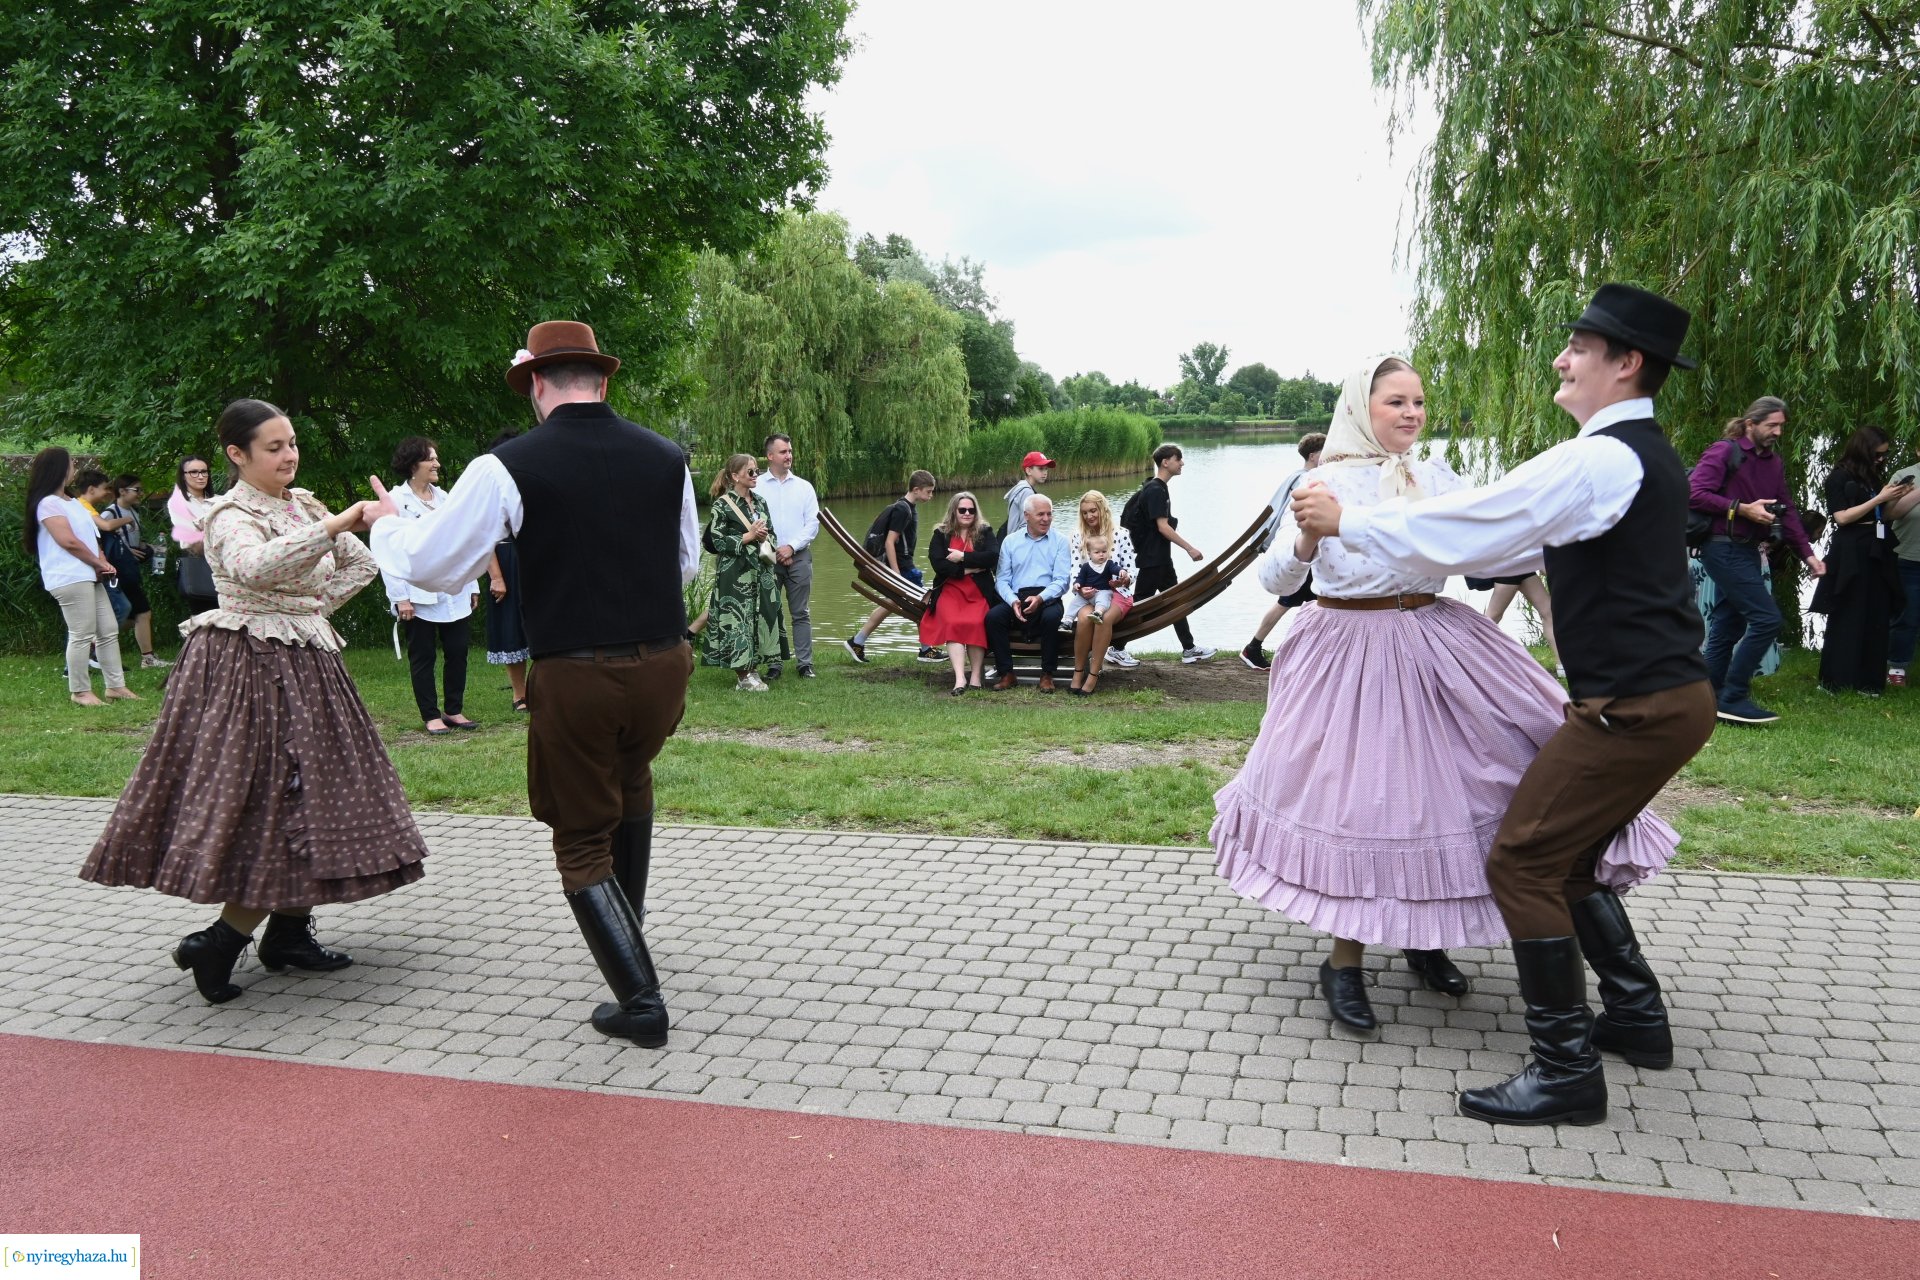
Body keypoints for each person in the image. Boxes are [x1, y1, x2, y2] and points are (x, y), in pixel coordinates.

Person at [1294, 284, 1719, 1127]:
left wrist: (1349, 524)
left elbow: (1475, 526)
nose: (1561, 359)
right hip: (1667, 699)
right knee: (1570, 858)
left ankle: (1565, 1073)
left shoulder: (1599, 459)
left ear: (1626, 364)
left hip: (1632, 709)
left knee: (1522, 863)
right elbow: (1504, 541)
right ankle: (1636, 1021)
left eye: (1579, 348)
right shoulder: (1640, 453)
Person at [1218, 352, 1681, 1044]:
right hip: (1350, 648)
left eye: (1418, 402)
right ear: (1362, 408)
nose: (1411, 414)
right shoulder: (1321, 481)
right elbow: (1275, 579)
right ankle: (1344, 964)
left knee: (1453, 795)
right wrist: (1310, 536)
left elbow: (1487, 549)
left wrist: (1574, 561)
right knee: (1364, 806)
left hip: (1436, 640)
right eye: (1395, 402)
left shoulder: (1436, 476)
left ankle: (1424, 938)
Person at [368, 321, 700, 1049]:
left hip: (578, 670)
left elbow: (432, 568)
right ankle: (629, 931)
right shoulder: (666, 456)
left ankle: (641, 1003)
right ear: (602, 381)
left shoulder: (504, 466)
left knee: (579, 832)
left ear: (536, 385)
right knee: (631, 779)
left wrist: (390, 525)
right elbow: (684, 562)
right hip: (664, 663)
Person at [81, 399, 422, 1004]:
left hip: (306, 656)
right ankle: (219, 942)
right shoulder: (228, 513)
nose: (289, 455)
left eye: (292, 443)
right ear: (237, 455)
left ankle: (287, 934)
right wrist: (333, 529)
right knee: (271, 797)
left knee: (316, 791)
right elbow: (251, 567)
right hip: (247, 668)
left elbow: (362, 564)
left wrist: (305, 608)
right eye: (275, 447)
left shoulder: (302, 504)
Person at [1688, 396, 1825, 724]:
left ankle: (1710, 694)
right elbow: (1694, 493)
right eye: (1772, 425)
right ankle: (1733, 697)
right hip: (1722, 547)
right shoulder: (1725, 451)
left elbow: (1787, 511)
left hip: (1749, 549)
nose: (1778, 432)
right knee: (1767, 619)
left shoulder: (1773, 463)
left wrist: (1808, 554)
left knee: (1729, 621)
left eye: (1781, 426)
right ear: (1750, 424)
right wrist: (1740, 509)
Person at [382, 436, 482, 733]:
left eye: (436, 458)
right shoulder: (395, 501)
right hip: (417, 593)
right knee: (423, 655)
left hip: (453, 589)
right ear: (414, 464)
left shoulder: (445, 498)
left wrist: (472, 584)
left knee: (458, 651)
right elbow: (389, 551)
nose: (437, 463)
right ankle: (431, 715)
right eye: (431, 459)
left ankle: (454, 710)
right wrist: (400, 597)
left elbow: (461, 544)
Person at [24, 448, 136, 707]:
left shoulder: (71, 501)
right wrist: (98, 562)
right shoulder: (47, 503)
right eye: (71, 463)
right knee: (82, 633)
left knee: (108, 630)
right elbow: (68, 541)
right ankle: (80, 691)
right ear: (59, 468)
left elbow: (90, 537)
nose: (74, 466)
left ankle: (116, 687)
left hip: (88, 573)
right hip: (70, 576)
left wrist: (101, 560)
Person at [1811, 425, 1910, 695]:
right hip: (1851, 548)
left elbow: (1885, 514)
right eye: (1877, 455)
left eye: (1884, 455)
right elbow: (1841, 517)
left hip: (1876, 546)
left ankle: (1869, 681)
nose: (1881, 459)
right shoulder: (1838, 477)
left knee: (1876, 610)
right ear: (1863, 450)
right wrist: (1879, 498)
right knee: (1849, 609)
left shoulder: (1871, 477)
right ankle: (1836, 679)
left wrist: (1896, 497)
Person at [1116, 444, 1216, 664]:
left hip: (1160, 558)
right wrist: (1189, 548)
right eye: (1178, 459)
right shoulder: (1155, 490)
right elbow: (1163, 527)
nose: (1182, 463)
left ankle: (1188, 648)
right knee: (1140, 604)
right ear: (1165, 462)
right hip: (1153, 559)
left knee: (1175, 602)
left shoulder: (1158, 487)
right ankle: (1116, 647)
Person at [703, 452, 789, 692]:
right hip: (736, 573)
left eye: (757, 471)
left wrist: (764, 537)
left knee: (761, 616)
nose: (755, 475)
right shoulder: (722, 504)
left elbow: (772, 534)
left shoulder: (760, 502)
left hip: (762, 570)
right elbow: (718, 541)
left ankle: (753, 668)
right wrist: (749, 536)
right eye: (750, 471)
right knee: (739, 620)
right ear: (735, 476)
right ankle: (743, 675)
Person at [1242, 432, 1325, 670]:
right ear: (1313, 455)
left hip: (1302, 552)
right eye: (1325, 452)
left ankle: (1260, 648)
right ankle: (1254, 648)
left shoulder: (1296, 476)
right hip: (1301, 554)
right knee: (1300, 603)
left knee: (1307, 605)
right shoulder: (1306, 479)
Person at [846, 471, 937, 663]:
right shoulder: (903, 510)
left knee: (893, 604)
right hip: (904, 568)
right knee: (924, 603)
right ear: (916, 489)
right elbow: (889, 542)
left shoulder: (906, 507)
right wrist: (896, 574)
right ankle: (926, 650)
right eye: (928, 491)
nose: (931, 495)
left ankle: (857, 641)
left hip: (904, 566)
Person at [987, 494, 1072, 692]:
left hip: (1047, 597)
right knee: (993, 617)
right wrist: (1012, 601)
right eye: (1040, 514)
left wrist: (1041, 598)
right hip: (1017, 597)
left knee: (1051, 617)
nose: (1046, 519)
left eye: (1049, 514)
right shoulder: (1010, 541)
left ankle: (1047, 674)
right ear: (1026, 515)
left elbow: (1062, 581)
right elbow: (1002, 580)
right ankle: (1006, 673)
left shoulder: (1060, 541)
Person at [920, 491, 999, 694]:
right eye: (962, 509)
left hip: (978, 591)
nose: (967, 513)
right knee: (953, 623)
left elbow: (992, 556)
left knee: (976, 623)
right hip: (950, 589)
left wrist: (962, 556)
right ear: (954, 511)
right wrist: (968, 569)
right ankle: (959, 678)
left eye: (971, 510)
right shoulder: (941, 534)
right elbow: (938, 564)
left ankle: (976, 677)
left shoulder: (985, 531)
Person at [1064, 489, 1137, 695]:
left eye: (1093, 510)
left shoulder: (1120, 534)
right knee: (1084, 618)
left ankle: (1093, 674)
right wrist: (1080, 589)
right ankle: (1078, 671)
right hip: (1090, 593)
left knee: (1102, 619)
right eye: (1085, 512)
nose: (1089, 516)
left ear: (1103, 509)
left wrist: (1125, 578)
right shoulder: (1078, 536)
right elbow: (1076, 570)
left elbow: (1131, 570)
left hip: (1118, 592)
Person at [759, 432, 819, 680]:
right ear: (770, 455)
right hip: (766, 556)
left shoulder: (804, 487)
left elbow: (813, 523)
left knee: (800, 612)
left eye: (790, 451)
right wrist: (774, 550)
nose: (789, 456)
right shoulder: (757, 486)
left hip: (799, 557)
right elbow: (753, 521)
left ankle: (805, 664)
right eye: (783, 452)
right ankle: (774, 664)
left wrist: (791, 547)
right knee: (770, 611)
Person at [481, 431, 529, 712]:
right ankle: (519, 695)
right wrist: (497, 577)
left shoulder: (530, 481)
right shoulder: (490, 490)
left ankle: (542, 688)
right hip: (505, 559)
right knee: (511, 627)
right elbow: (483, 536)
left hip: (533, 556)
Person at [104, 475, 170, 668]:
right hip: (118, 571)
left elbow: (133, 540)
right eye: (137, 490)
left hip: (131, 569)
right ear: (122, 491)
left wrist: (150, 547)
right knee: (142, 612)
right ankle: (147, 658)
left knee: (133, 615)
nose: (141, 493)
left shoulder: (133, 511)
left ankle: (97, 639)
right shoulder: (110, 514)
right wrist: (126, 550)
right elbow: (104, 543)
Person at [72, 468, 134, 625]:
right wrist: (128, 519)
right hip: (88, 566)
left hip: (94, 566)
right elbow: (106, 525)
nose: (107, 492)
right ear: (91, 489)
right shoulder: (82, 505)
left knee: (116, 608)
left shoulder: (84, 506)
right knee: (121, 607)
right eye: (105, 488)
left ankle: (100, 637)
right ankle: (100, 638)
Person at [1473, 574, 1563, 678]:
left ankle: (1562, 665)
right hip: (1508, 571)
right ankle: (1469, 657)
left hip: (1523, 569)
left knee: (1549, 613)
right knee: (1492, 618)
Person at [168, 455, 219, 615]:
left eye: (204, 471)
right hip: (198, 559)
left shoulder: (219, 501)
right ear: (183, 475)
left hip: (224, 562)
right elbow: (191, 536)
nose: (201, 476)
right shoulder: (179, 502)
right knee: (205, 618)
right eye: (194, 472)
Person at [1887, 446, 1920, 686]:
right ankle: (1897, 667)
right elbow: (1890, 513)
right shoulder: (1904, 475)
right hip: (1908, 558)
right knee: (1906, 616)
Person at [1003, 450, 1055, 538]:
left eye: (1046, 469)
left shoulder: (1020, 487)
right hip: (1020, 542)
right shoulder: (1027, 492)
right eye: (1040, 468)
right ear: (1028, 470)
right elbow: (1025, 524)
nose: (1045, 472)